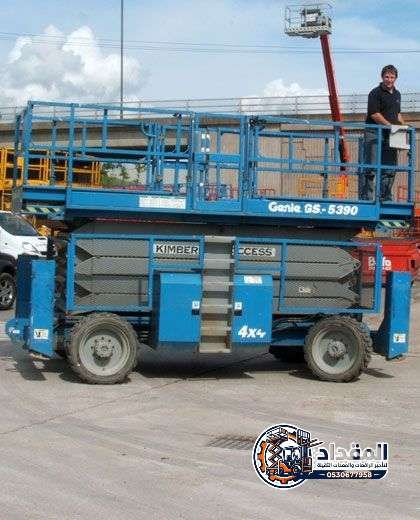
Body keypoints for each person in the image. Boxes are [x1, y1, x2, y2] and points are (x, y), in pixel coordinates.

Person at [360, 64, 405, 201]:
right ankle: (367, 198)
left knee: (389, 168)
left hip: (391, 134)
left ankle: (385, 197)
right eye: (387, 77)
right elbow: (374, 114)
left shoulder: (397, 94)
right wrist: (390, 126)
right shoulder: (375, 93)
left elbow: (397, 114)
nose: (389, 80)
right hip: (374, 132)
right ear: (382, 77)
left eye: (392, 77)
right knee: (371, 167)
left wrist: (403, 129)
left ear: (396, 78)